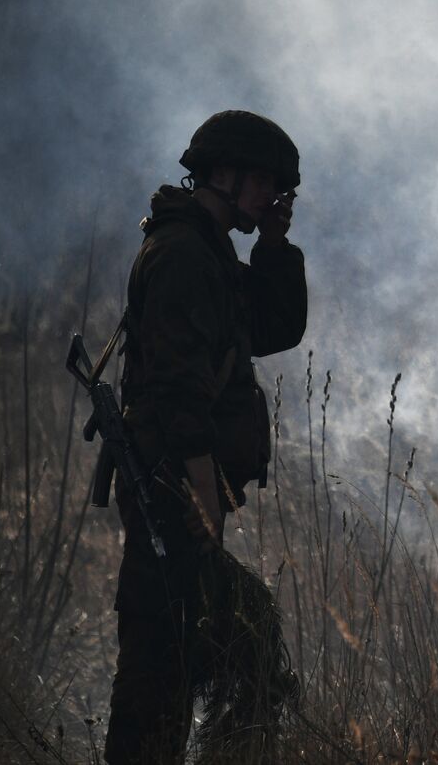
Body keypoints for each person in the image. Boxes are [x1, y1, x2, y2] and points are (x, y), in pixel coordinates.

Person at [104, 110, 307, 764]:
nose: (272, 196)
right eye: (264, 184)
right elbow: (175, 395)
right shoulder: (184, 254)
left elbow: (274, 326)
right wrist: (201, 495)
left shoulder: (209, 250)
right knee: (158, 657)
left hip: (187, 484)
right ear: (225, 173)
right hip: (173, 481)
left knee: (178, 652)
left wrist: (272, 245)